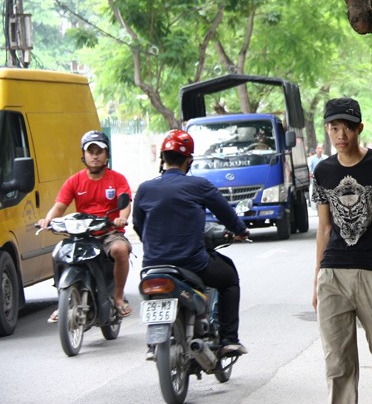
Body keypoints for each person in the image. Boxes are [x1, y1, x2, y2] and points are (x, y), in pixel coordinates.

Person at [312, 97, 372, 404]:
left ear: (360, 129)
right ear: (328, 129)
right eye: (334, 127)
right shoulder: (323, 172)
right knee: (337, 362)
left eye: (348, 128)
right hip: (333, 275)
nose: (341, 135)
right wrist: (316, 280)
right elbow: (324, 229)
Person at [132, 129, 250, 355]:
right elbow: (226, 214)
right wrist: (240, 230)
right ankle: (228, 339)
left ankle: (153, 343)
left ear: (162, 159)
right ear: (189, 160)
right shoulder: (198, 185)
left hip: (152, 266)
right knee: (229, 278)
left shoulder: (145, 189)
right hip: (192, 264)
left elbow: (139, 225)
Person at [37, 130, 133, 323]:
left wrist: (121, 218)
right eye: (91, 151)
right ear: (84, 155)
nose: (95, 155)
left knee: (120, 249)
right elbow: (59, 206)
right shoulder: (75, 181)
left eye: (99, 151)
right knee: (59, 253)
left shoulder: (117, 179)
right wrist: (47, 220)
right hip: (82, 234)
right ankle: (63, 302)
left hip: (108, 232)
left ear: (107, 155)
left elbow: (125, 204)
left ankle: (118, 297)